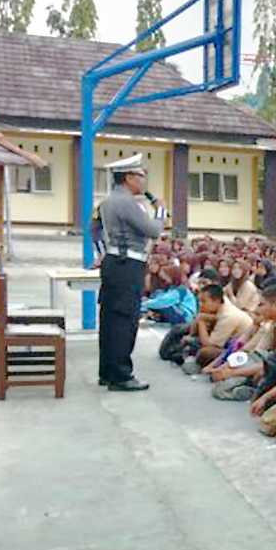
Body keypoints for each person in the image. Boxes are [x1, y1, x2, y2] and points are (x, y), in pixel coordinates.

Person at [97, 154, 167, 391]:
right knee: (124, 321)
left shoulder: (107, 201)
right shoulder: (127, 203)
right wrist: (160, 211)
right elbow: (153, 230)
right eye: (141, 175)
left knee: (109, 319)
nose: (144, 180)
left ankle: (107, 371)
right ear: (128, 177)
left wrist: (102, 251)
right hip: (127, 266)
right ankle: (121, 376)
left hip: (114, 261)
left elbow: (93, 228)